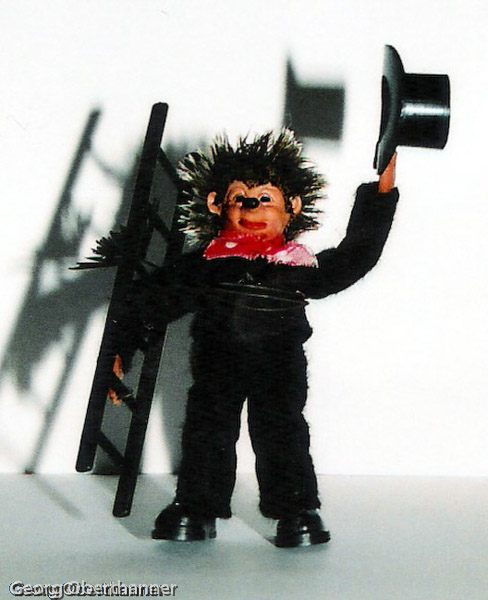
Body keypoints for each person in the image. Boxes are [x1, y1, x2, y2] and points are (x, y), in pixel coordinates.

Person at [138, 130, 398, 547]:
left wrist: (380, 195)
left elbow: (355, 255)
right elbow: (156, 300)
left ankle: (295, 509)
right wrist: (122, 347)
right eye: (240, 199)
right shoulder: (207, 264)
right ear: (216, 204)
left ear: (292, 207)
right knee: (208, 428)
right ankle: (196, 506)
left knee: (282, 430)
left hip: (279, 365)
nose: (252, 208)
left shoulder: (296, 266)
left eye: (265, 199)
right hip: (217, 363)